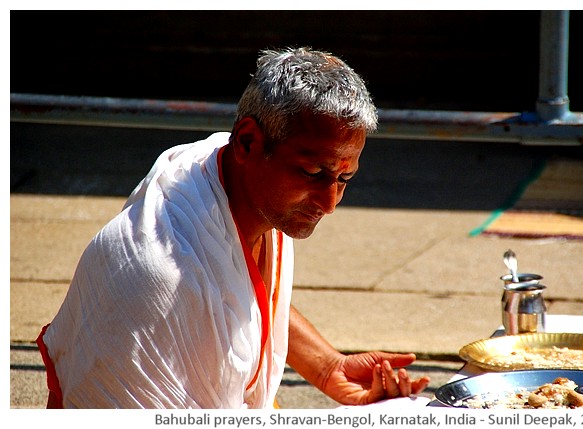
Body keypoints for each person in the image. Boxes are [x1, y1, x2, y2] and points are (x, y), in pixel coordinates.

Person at [36, 47, 430, 409]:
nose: (329, 203)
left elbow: (238, 290)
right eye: (312, 172)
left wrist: (327, 366)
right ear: (246, 143)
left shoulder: (227, 176)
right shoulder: (159, 280)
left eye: (344, 179)